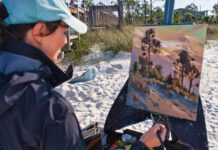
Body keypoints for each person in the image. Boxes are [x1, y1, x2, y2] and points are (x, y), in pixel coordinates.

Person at [0, 0, 166, 150]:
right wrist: (142, 145)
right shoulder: (51, 110)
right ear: (39, 30)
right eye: (63, 31)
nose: (65, 41)